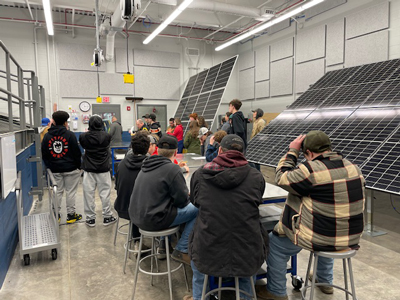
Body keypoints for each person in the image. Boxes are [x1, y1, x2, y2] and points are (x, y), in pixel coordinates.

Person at [256, 131, 366, 300]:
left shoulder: (310, 171)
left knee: (275, 244)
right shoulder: (354, 168)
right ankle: (324, 282)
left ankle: (276, 292)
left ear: (308, 153)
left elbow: (281, 178)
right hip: (350, 237)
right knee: (330, 224)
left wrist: (292, 151)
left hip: (320, 238)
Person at [186, 134, 267, 300]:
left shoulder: (201, 174)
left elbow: (195, 203)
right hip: (248, 250)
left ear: (220, 150)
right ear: (243, 153)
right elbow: (256, 202)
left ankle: (199, 296)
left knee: (197, 259)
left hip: (208, 250)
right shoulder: (256, 177)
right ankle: (245, 294)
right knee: (247, 267)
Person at [129, 134, 198, 265]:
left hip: (137, 218)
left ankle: (163, 245)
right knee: (198, 208)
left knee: (166, 206)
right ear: (176, 152)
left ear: (157, 150)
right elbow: (182, 201)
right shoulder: (172, 169)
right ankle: (182, 249)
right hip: (154, 220)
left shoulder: (146, 164)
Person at [41, 111, 82, 224]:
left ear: (53, 121)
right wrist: (78, 166)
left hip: (55, 169)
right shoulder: (70, 135)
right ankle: (71, 215)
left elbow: (44, 154)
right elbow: (76, 153)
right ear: (65, 122)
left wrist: (50, 166)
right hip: (71, 169)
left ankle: (56, 215)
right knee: (70, 192)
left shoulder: (47, 136)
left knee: (57, 192)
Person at [79, 115, 117, 227]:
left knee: (88, 194)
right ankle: (107, 216)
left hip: (89, 169)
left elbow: (83, 146)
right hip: (103, 169)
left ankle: (90, 219)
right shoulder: (106, 136)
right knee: (105, 193)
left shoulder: (83, 136)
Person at [114, 133, 150, 250]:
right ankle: (164, 245)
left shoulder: (121, 164)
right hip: (141, 212)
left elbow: (117, 187)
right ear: (148, 147)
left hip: (122, 206)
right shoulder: (149, 165)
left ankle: (136, 240)